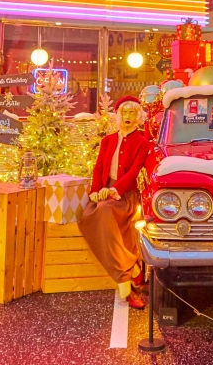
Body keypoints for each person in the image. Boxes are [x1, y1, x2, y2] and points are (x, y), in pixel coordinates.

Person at [80, 96, 151, 308]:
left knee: (104, 211)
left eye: (132, 113)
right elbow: (99, 168)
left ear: (138, 116)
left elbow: (134, 172)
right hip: (104, 191)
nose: (128, 117)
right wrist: (95, 191)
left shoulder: (143, 142)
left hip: (126, 194)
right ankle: (133, 269)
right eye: (124, 113)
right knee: (86, 217)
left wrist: (114, 189)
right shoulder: (107, 140)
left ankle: (124, 279)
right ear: (118, 116)